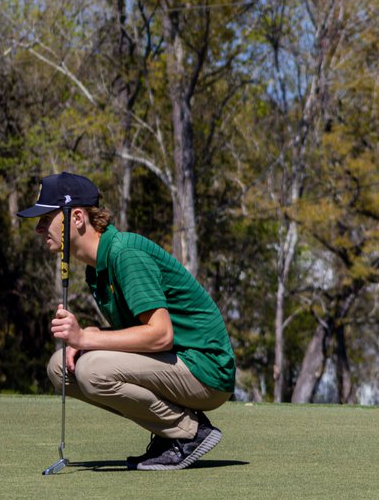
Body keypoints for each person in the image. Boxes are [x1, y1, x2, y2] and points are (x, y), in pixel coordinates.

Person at [17, 172, 235, 470]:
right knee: (60, 367)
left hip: (206, 371)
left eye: (47, 218)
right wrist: (93, 335)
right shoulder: (96, 270)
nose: (39, 228)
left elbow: (160, 336)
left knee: (93, 369)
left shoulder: (125, 254)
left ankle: (190, 433)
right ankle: (167, 433)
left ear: (77, 217)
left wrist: (87, 339)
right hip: (177, 363)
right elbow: (139, 334)